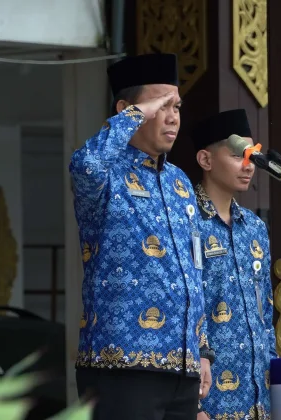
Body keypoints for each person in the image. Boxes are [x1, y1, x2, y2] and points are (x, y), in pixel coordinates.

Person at [68, 53, 213, 420]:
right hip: (122, 368)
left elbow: (195, 270)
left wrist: (203, 352)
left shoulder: (181, 183)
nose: (173, 116)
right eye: (161, 105)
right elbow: (84, 163)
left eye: (176, 106)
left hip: (181, 369)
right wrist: (136, 114)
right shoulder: (105, 175)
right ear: (126, 110)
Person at [190, 109, 277, 420]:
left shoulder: (254, 228)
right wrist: (192, 406)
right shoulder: (186, 222)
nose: (248, 165)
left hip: (258, 398)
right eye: (238, 155)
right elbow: (181, 313)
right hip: (210, 398)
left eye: (252, 155)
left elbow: (265, 314)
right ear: (206, 160)